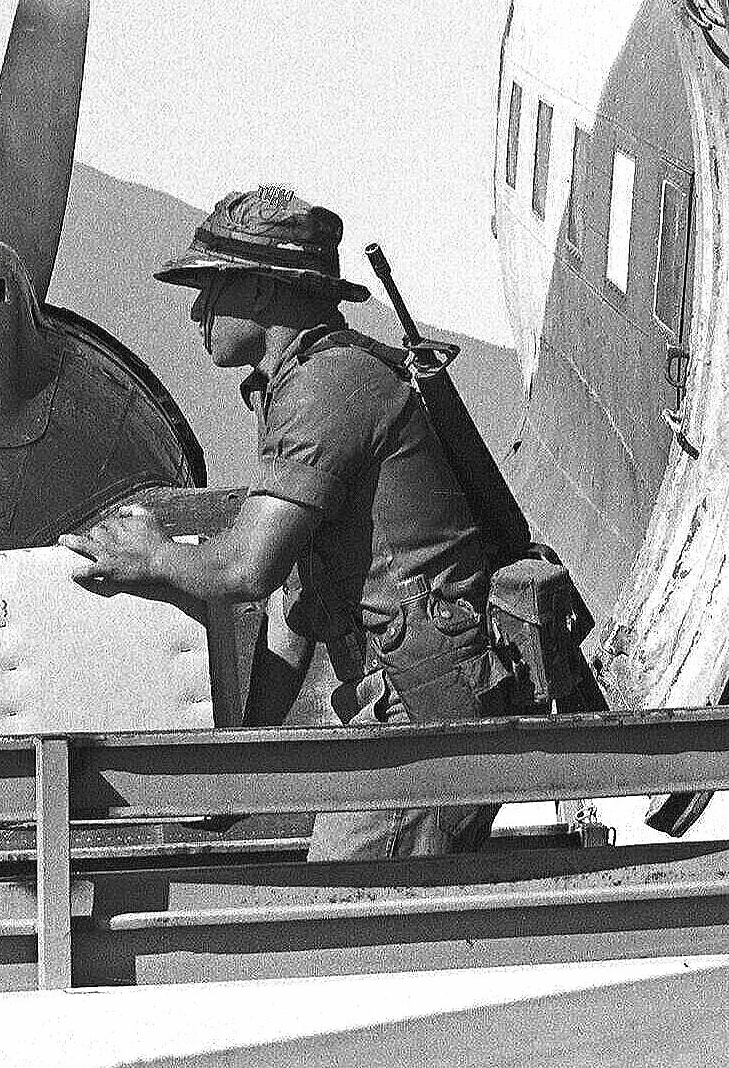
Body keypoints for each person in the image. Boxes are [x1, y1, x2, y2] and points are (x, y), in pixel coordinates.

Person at [59, 186, 507, 860]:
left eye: (211, 288)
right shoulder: (304, 386)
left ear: (265, 292)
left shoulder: (329, 386)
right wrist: (244, 762)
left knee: (338, 926)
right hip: (409, 703)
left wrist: (152, 556)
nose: (196, 310)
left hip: (422, 711)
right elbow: (293, 603)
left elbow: (245, 568)